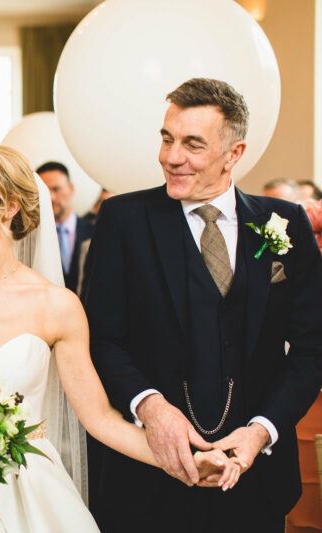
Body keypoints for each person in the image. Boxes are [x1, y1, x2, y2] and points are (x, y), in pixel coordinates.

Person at [0, 145, 239, 532]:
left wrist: (182, 459)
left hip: (29, 494)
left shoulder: (57, 306)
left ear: (11, 205)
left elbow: (100, 419)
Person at [83, 78, 322, 532]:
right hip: (145, 480)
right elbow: (104, 340)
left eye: (192, 144)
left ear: (234, 154)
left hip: (254, 478)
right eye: (167, 138)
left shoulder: (285, 224)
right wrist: (150, 408)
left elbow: (313, 348)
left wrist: (261, 431)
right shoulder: (123, 221)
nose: (172, 157)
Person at [35, 161, 93, 292]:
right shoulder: (32, 239)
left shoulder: (95, 232)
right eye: (44, 191)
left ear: (71, 188)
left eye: (56, 189)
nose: (51, 197)